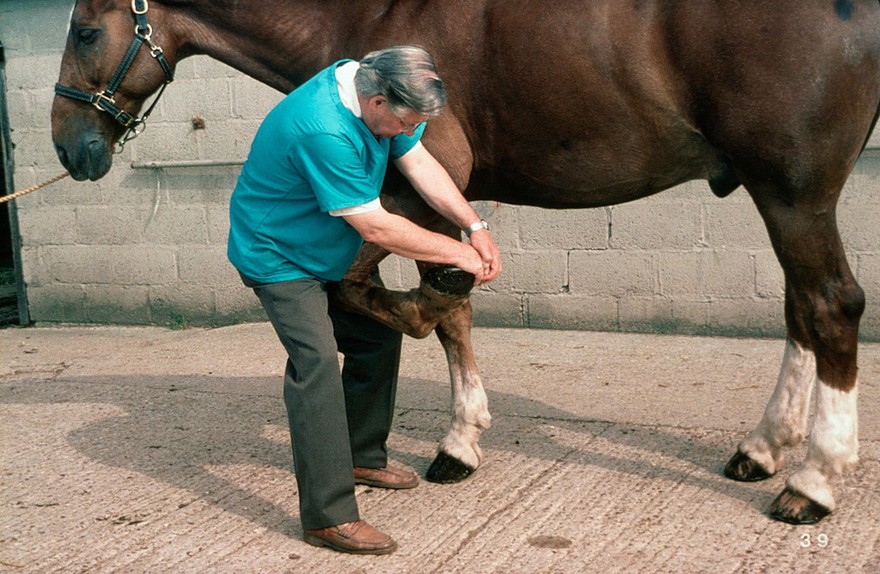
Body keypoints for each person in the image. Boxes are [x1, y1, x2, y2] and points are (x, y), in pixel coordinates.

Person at [227, 45, 501, 555]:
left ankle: (360, 454)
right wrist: (458, 255)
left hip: (323, 252)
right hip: (279, 259)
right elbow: (376, 226)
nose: (404, 132)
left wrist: (474, 226)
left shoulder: (374, 91)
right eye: (403, 121)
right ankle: (328, 516)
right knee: (316, 367)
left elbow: (420, 165)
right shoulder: (323, 128)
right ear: (377, 103)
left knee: (375, 335)